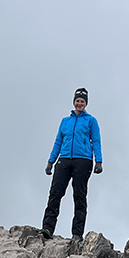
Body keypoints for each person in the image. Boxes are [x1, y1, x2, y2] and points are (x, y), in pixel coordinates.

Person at [42, 87, 102, 240]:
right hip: (64, 160)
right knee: (55, 194)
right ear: (73, 102)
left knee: (79, 196)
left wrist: (99, 161)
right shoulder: (65, 121)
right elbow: (58, 141)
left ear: (86, 103)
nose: (79, 103)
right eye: (77, 101)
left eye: (82, 101)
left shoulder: (91, 121)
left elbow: (96, 141)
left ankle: (77, 233)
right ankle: (47, 228)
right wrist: (51, 161)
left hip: (83, 161)